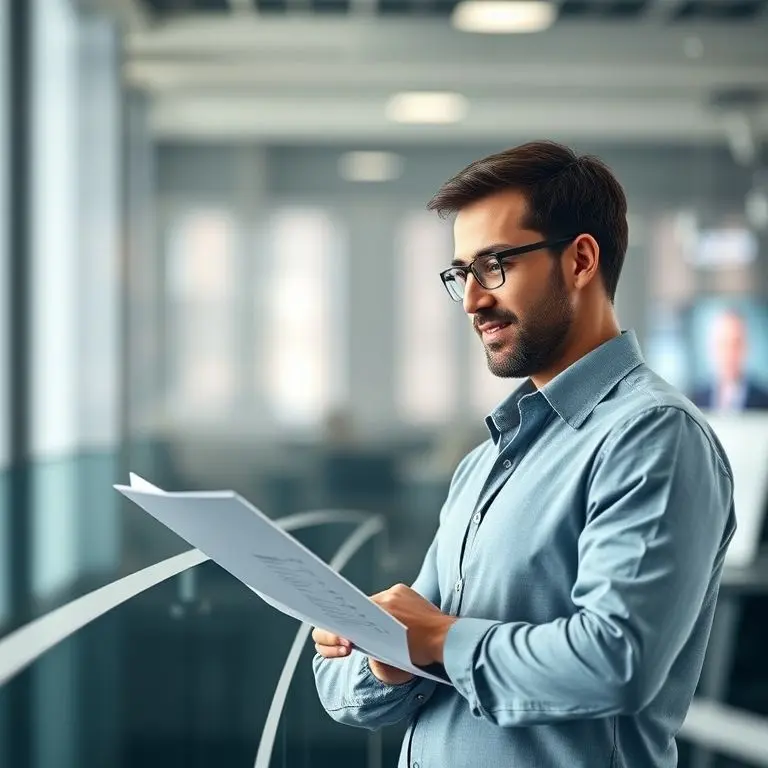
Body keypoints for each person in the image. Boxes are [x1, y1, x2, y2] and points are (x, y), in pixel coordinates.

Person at [311, 141, 736, 767]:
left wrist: (437, 639)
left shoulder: (652, 436)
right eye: (461, 274)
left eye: (493, 265)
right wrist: (384, 655)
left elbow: (615, 662)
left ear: (581, 260)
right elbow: (350, 694)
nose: (473, 300)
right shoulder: (484, 462)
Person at [691, 308, 768, 411]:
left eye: (736, 344)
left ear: (746, 347)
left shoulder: (764, 401)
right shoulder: (695, 400)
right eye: (723, 344)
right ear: (712, 347)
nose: (729, 353)